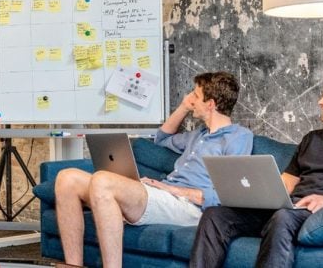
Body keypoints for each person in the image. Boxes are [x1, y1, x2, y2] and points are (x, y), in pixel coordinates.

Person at [54, 71, 253, 268]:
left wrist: (178, 191)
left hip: (188, 206)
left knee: (103, 181)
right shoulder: (197, 135)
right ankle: (73, 265)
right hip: (164, 195)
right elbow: (162, 139)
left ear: (210, 104)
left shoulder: (238, 137)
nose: (190, 98)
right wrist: (183, 107)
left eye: (195, 95)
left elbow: (233, 193)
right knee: (67, 178)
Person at [189, 86, 323, 268]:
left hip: (314, 214)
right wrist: (259, 193)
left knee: (282, 217)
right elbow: (287, 183)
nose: (320, 101)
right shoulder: (311, 139)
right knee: (215, 215)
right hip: (291, 207)